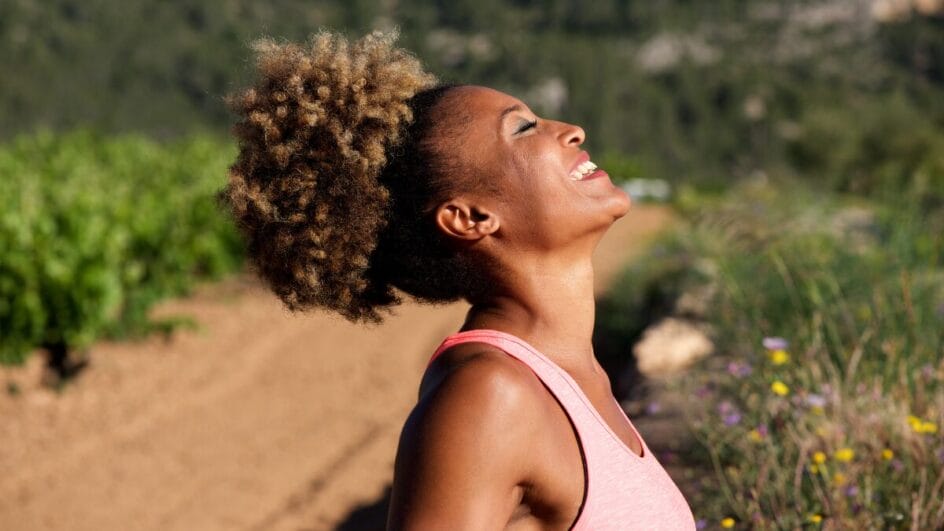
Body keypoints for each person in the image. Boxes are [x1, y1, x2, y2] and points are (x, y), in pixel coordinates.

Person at [225, 30, 696, 530]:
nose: (572, 130)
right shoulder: (490, 397)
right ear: (470, 217)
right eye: (523, 129)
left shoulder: (577, 379)